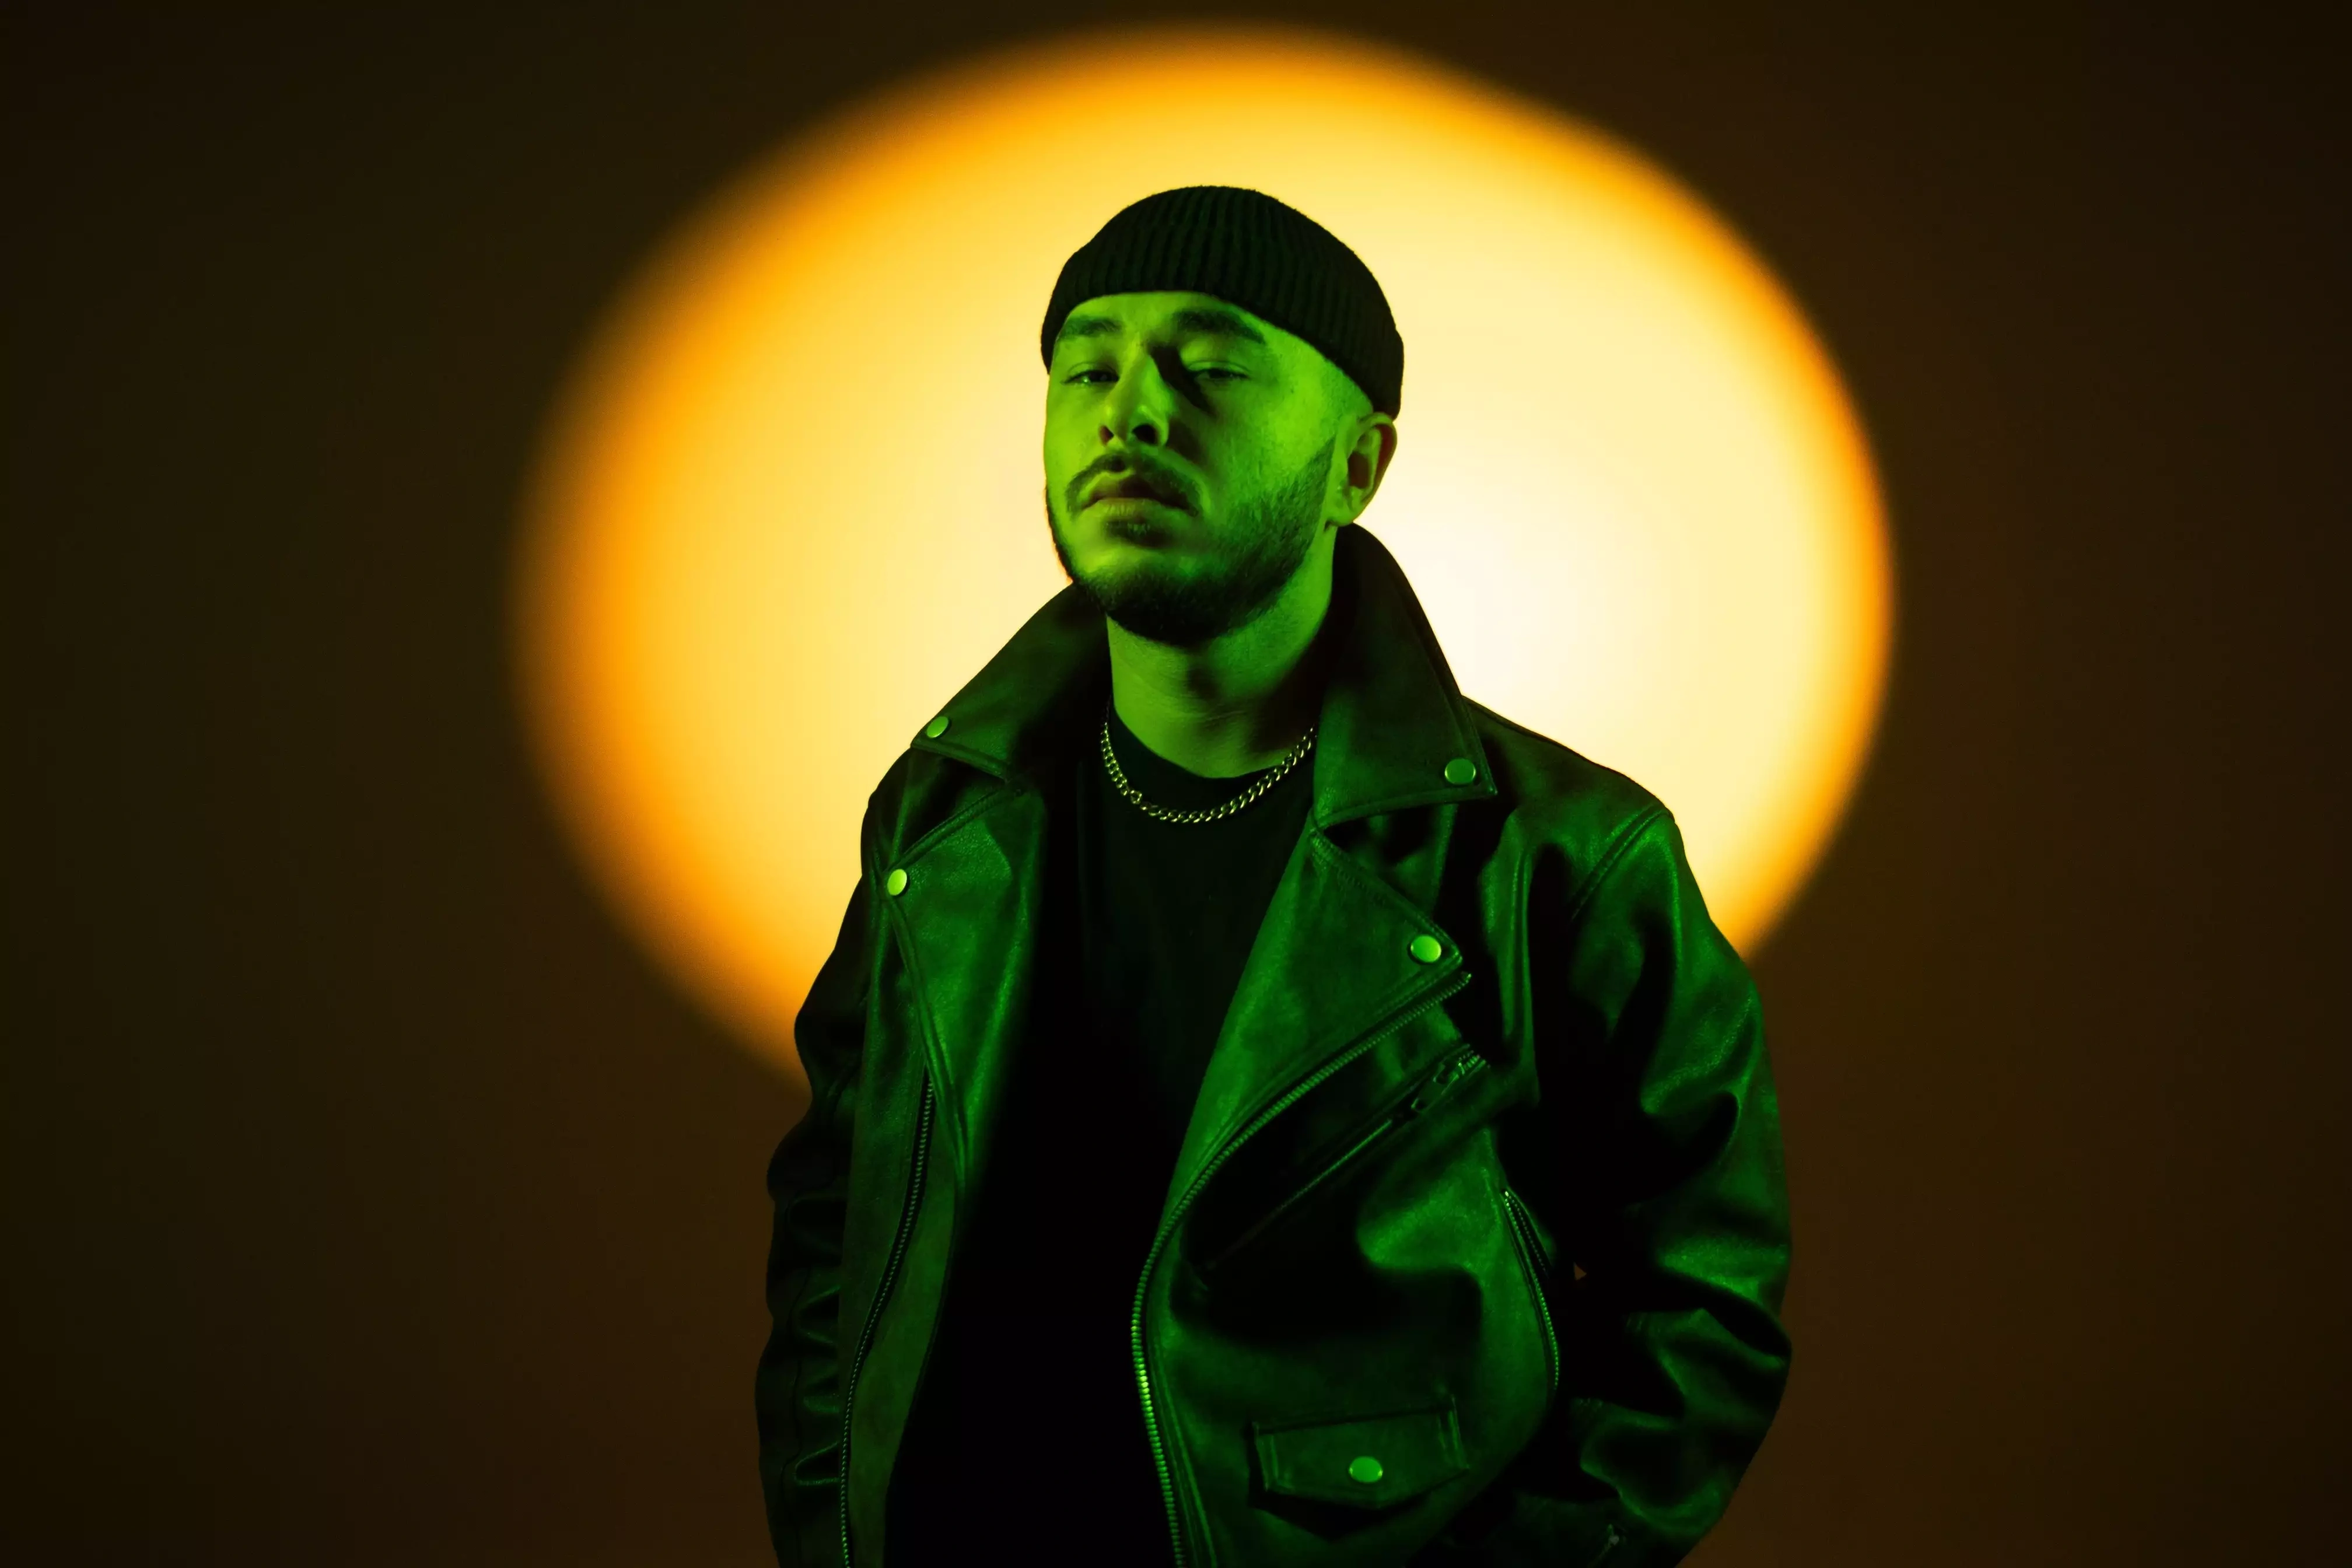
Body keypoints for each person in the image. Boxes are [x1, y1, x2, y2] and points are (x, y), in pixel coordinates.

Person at [757, 184, 1793, 1567]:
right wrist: (831, 1527)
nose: (1134, 411)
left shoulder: (1560, 855)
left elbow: (1703, 1299)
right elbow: (840, 1223)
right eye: (1087, 370)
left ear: (1359, 466)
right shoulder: (942, 822)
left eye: (1214, 366)